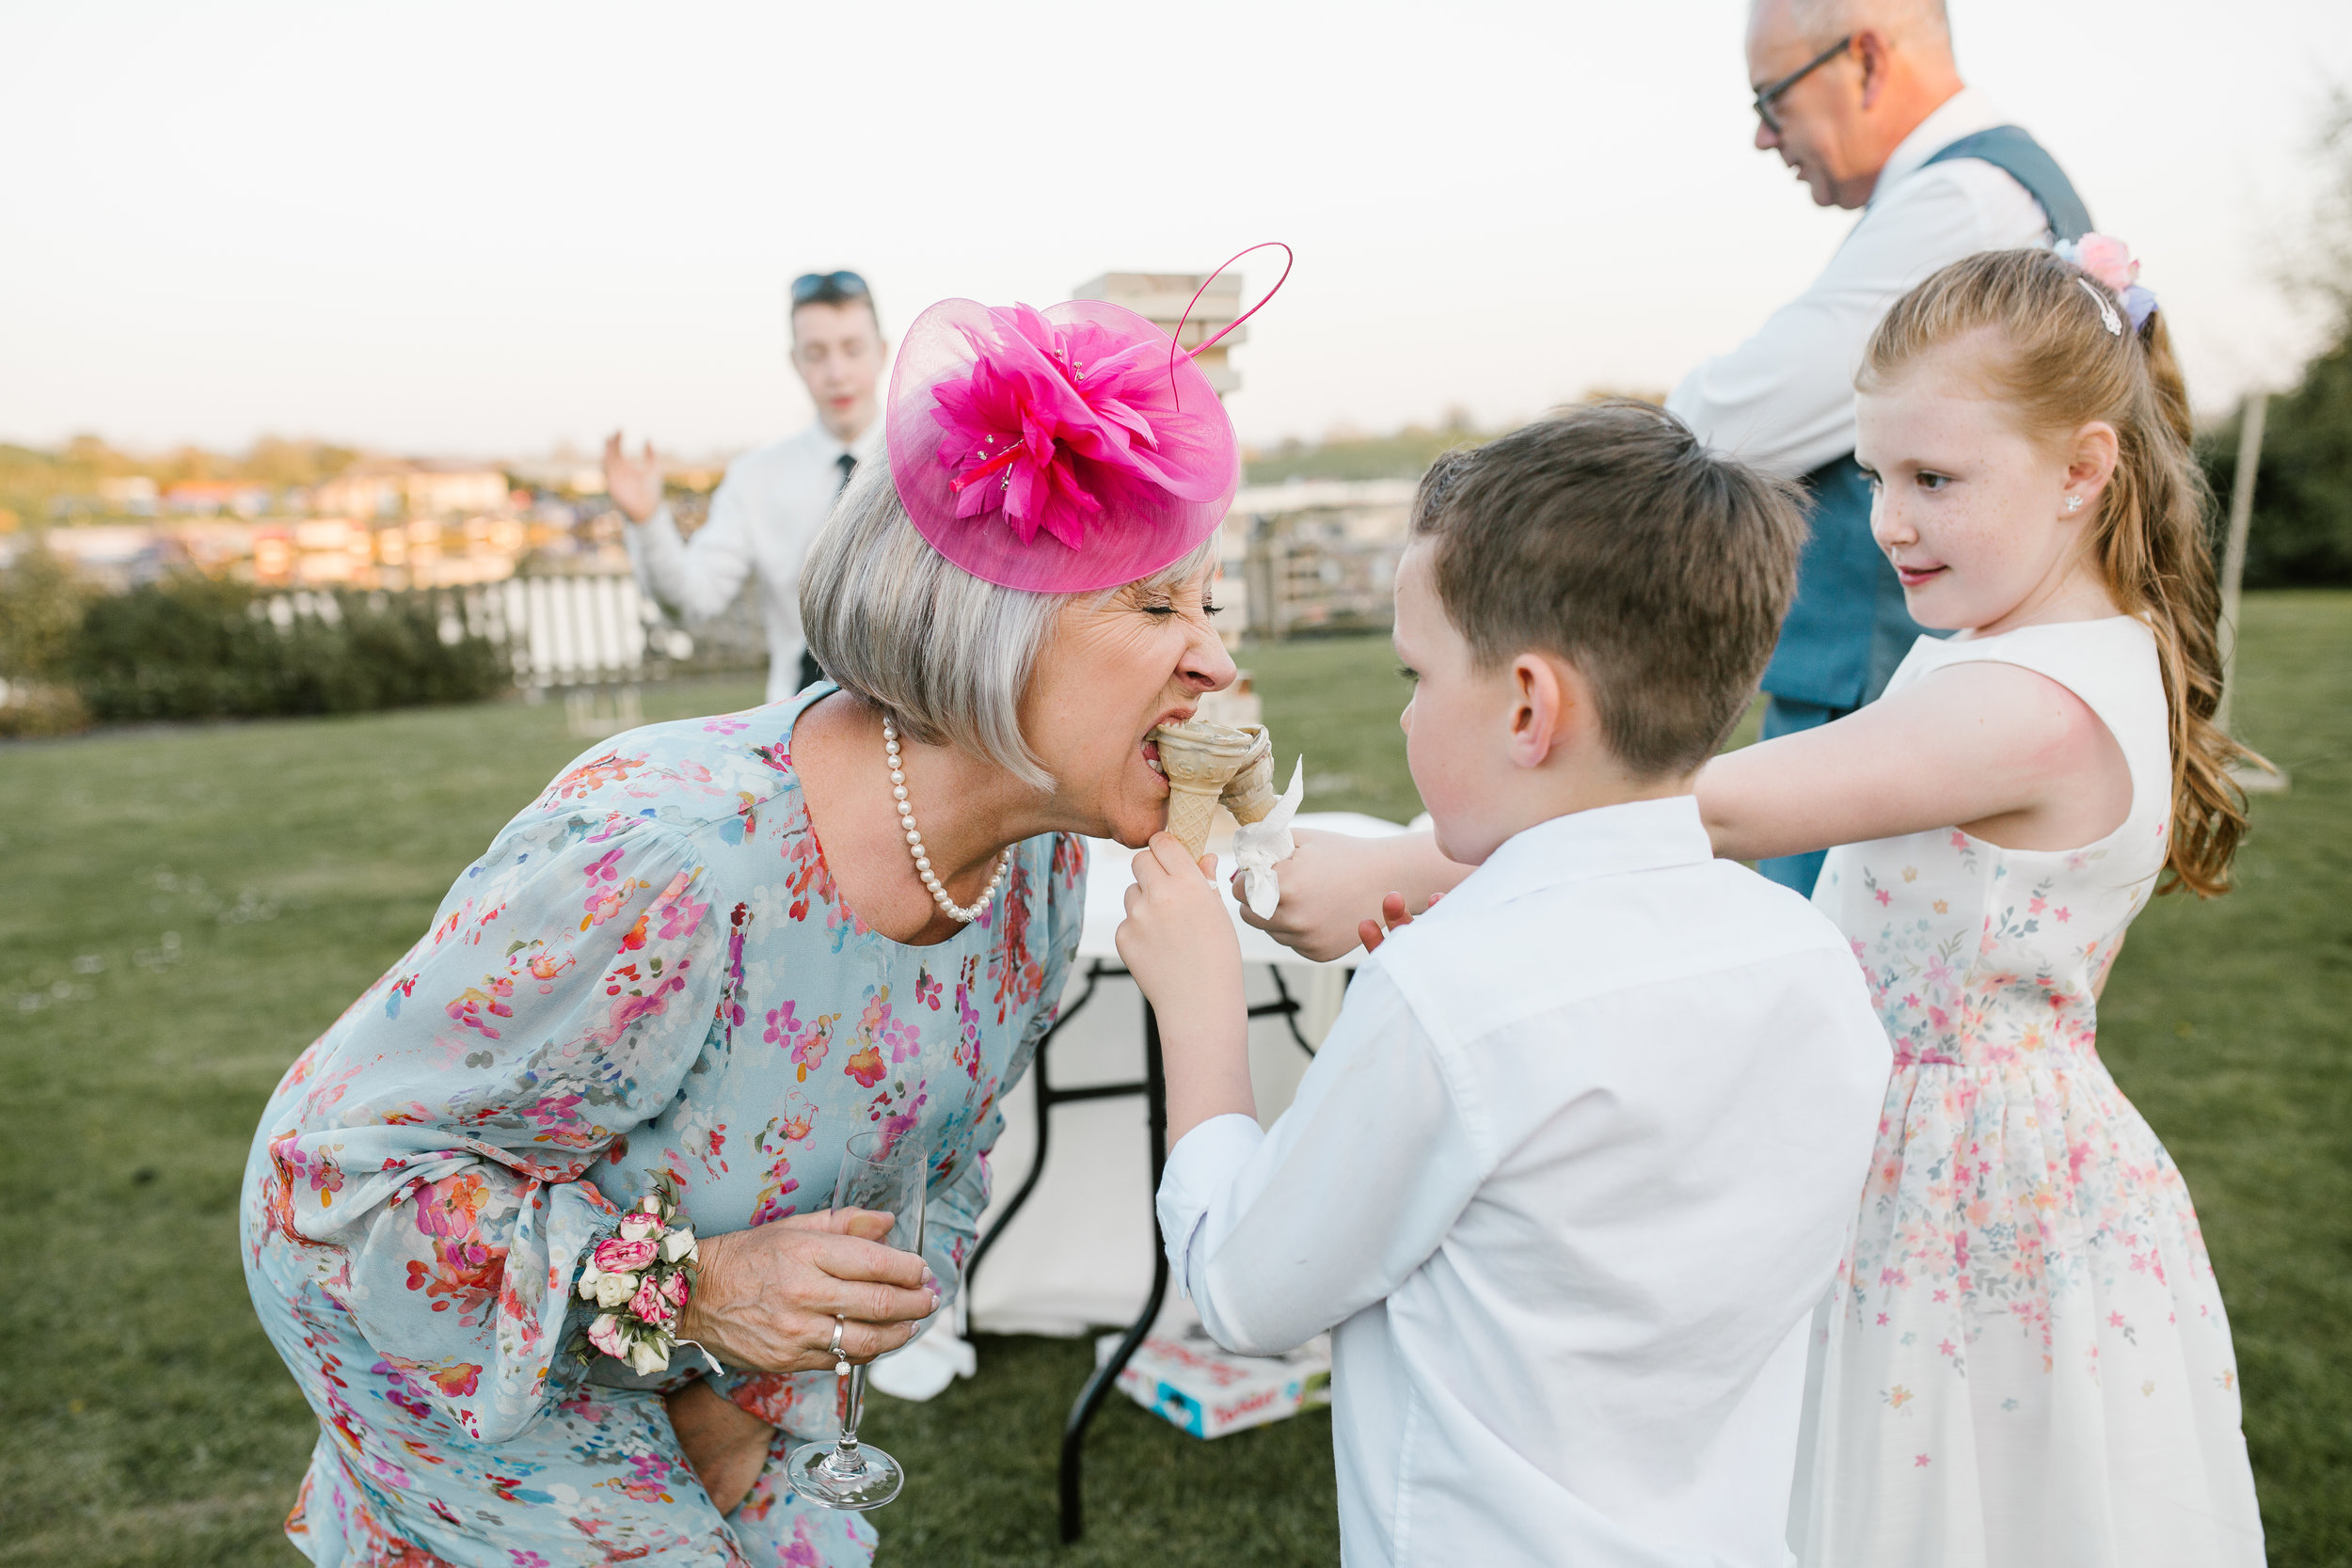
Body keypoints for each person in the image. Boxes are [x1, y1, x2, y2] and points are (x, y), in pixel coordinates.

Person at [239, 286, 1255, 1565]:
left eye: (1210, 607)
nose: (1216, 661)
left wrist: (744, 1394)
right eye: (1160, 608)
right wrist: (700, 1292)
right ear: (991, 630)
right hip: (487, 1400)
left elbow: (938, 1157)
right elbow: (321, 1188)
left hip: (719, 1400)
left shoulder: (1038, 871)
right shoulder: (667, 863)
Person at [1117, 404, 1892, 1566]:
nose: (1403, 707)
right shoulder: (1810, 955)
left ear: (1529, 706)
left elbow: (1244, 1288)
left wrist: (1199, 1003)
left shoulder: (1451, 1000)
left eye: (1416, 673)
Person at [1695, 243, 2265, 1563]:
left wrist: (1430, 853)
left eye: (1935, 479)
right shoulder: (2013, 659)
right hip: (1946, 1146)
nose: (1888, 519)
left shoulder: (2024, 704)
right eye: (1876, 474)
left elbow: (1713, 809)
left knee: (1959, 1509)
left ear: (2082, 469)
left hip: (1971, 1180)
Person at [1668, 0, 2093, 894]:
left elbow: (1729, 425)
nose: (1761, 137)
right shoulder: (1977, 189)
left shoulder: (1960, 202)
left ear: (1864, 58)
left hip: (1880, 687)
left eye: (1771, 99)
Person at [605, 270, 889, 703]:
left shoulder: (932, 461)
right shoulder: (755, 478)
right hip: (795, 727)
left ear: (882, 352)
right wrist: (647, 522)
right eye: (816, 353)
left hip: (917, 723)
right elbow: (691, 599)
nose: (836, 372)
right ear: (795, 361)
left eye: (852, 349)